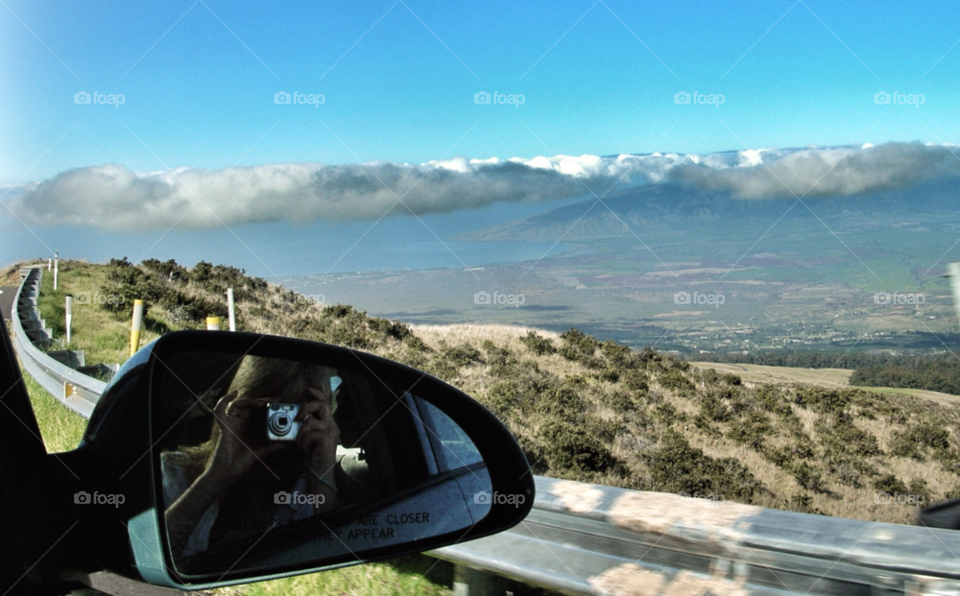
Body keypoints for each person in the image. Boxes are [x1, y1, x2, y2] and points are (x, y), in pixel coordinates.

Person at [163, 356, 341, 560]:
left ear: (320, 421)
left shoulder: (308, 497)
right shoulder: (172, 471)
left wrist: (323, 469)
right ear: (239, 406)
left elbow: (331, 559)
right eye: (267, 413)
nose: (280, 426)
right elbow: (152, 552)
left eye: (298, 417)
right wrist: (215, 476)